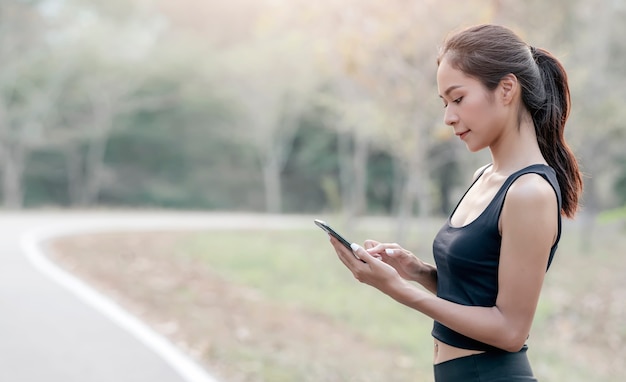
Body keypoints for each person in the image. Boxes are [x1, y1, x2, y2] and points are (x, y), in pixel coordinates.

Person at [328, 24, 583, 381]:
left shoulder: (529, 192)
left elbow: (510, 332)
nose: (448, 116)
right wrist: (417, 272)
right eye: (444, 103)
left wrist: (397, 290)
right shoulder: (484, 177)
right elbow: (478, 296)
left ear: (507, 89)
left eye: (458, 98)